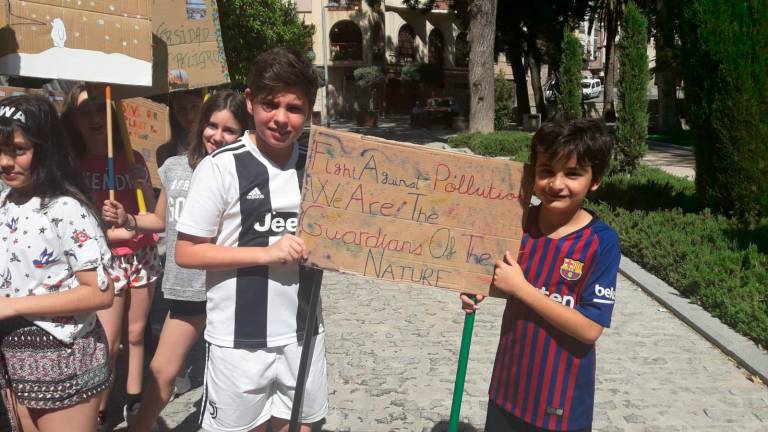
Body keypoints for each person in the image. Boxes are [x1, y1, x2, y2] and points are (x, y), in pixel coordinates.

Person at [175, 48, 328, 432]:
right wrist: (266, 253)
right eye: (270, 104)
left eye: (294, 108)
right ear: (249, 101)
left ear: (309, 110)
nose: (280, 118)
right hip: (237, 340)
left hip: (303, 332)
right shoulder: (219, 168)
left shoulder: (321, 169)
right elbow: (186, 252)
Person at [101, 90, 250, 432]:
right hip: (186, 288)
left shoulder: (247, 173)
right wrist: (128, 219)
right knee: (163, 371)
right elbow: (160, 221)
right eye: (212, 126)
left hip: (231, 289)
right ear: (201, 125)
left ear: (243, 133)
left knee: (234, 376)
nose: (218, 136)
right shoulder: (173, 167)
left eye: (230, 130)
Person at [461, 119, 620, 432]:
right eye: (546, 171)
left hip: (561, 395)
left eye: (572, 173)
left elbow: (589, 329)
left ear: (595, 179)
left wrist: (522, 289)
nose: (556, 183)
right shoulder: (518, 222)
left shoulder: (601, 242)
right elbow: (496, 275)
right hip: (508, 384)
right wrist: (476, 288)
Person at [0, 95, 114, 431]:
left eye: (18, 150)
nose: (5, 161)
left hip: (66, 357)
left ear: (46, 147)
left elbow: (100, 293)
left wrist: (12, 306)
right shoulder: (5, 199)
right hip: (17, 357)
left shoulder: (67, 208)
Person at [62, 84, 162, 429]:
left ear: (114, 116)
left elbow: (150, 213)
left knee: (136, 334)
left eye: (100, 111)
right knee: (107, 341)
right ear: (73, 120)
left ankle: (133, 402)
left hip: (141, 255)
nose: (93, 118)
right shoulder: (70, 165)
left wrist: (143, 185)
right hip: (104, 260)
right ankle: (96, 410)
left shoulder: (132, 157)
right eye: (85, 112)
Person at [155, 90, 203, 169]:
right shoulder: (165, 153)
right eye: (181, 109)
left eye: (194, 106)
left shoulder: (215, 146)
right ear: (174, 113)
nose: (189, 116)